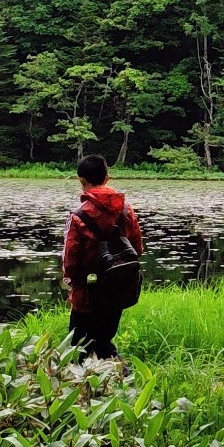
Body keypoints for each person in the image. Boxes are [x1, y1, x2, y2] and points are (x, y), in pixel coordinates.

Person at [61, 153, 144, 360]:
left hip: (87, 293)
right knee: (105, 341)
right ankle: (119, 383)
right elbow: (137, 249)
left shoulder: (78, 216)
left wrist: (71, 283)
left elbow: (71, 260)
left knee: (78, 347)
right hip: (117, 287)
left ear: (82, 181)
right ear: (107, 178)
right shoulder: (126, 210)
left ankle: (81, 387)